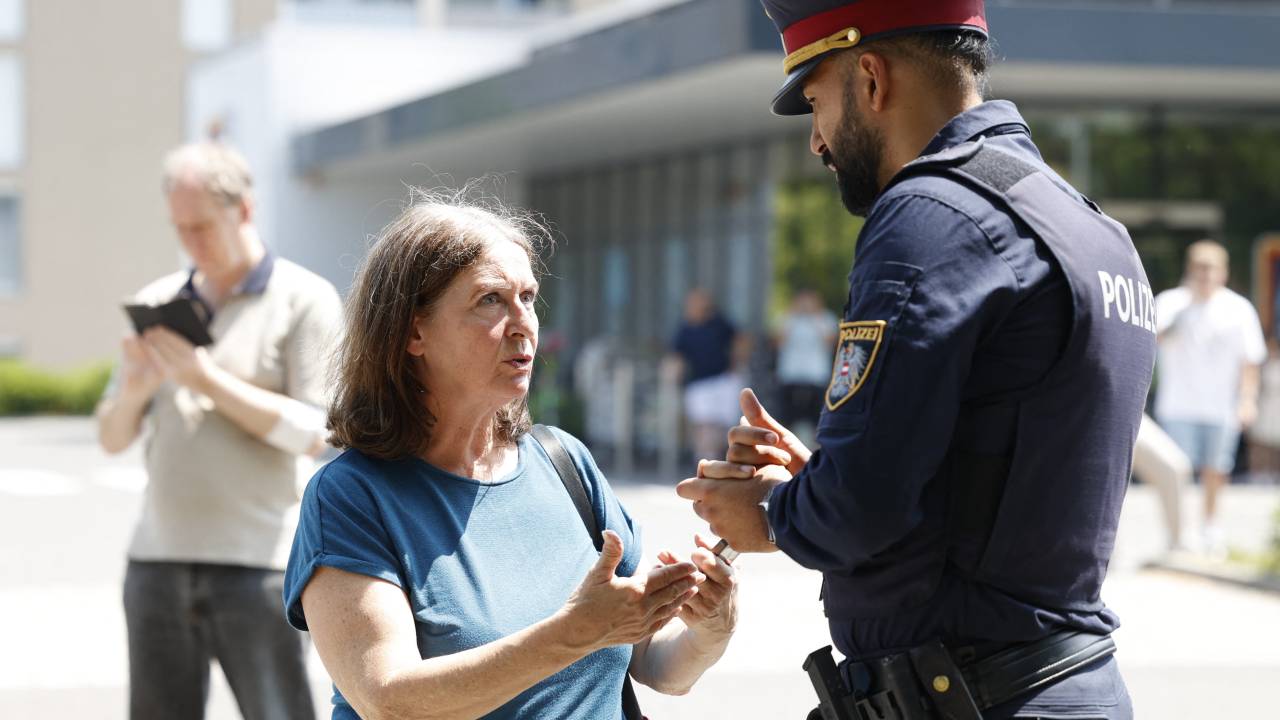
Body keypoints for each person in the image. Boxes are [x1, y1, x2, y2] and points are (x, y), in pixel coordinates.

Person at [676, 2, 1155, 718]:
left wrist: (775, 514)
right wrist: (823, 479)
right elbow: (995, 482)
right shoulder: (1086, 225)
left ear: (869, 78)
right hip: (1063, 684)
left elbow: (862, 509)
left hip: (973, 695)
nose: (816, 141)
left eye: (815, 104)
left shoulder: (930, 212)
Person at [283, 195, 737, 719]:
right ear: (413, 332)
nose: (524, 324)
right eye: (491, 301)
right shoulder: (351, 496)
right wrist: (572, 634)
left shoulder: (564, 462)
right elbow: (389, 701)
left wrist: (710, 628)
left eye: (529, 297)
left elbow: (651, 664)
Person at [95, 142, 342, 720]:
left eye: (202, 226)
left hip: (258, 564)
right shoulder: (160, 301)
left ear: (245, 210)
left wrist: (205, 380)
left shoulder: (304, 300)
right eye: (180, 228)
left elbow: (317, 431)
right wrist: (136, 386)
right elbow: (110, 438)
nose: (191, 243)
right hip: (156, 561)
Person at [1154, 240, 1266, 557]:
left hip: (1220, 406)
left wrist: (1247, 399)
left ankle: (1210, 526)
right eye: (1200, 268)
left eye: (1211, 268)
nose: (1205, 275)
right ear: (1190, 270)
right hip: (1177, 405)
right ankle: (1179, 530)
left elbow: (1250, 360)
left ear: (1223, 272)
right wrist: (1185, 311)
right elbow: (1152, 339)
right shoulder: (1171, 302)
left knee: (1216, 470)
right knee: (1177, 471)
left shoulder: (1238, 309)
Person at [670, 288, 743, 461]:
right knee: (703, 423)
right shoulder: (685, 330)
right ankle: (704, 459)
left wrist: (736, 363)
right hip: (698, 383)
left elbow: (739, 340)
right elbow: (677, 357)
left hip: (721, 380)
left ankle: (716, 457)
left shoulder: (719, 323)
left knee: (722, 424)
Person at [773, 288, 837, 446]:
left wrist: (815, 316)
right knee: (786, 418)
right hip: (790, 375)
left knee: (817, 419)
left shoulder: (825, 318)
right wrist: (792, 314)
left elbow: (830, 341)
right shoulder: (787, 318)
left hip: (816, 376)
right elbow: (777, 342)